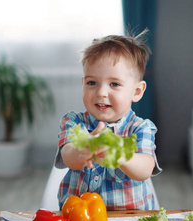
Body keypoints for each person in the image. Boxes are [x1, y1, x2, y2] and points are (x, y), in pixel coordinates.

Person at [55, 29, 162, 210]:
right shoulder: (74, 121)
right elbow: (68, 157)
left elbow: (145, 169)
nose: (101, 93)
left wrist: (119, 154)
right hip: (79, 218)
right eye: (92, 83)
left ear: (137, 91)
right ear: (83, 84)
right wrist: (82, 150)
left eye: (114, 84)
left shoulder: (140, 128)